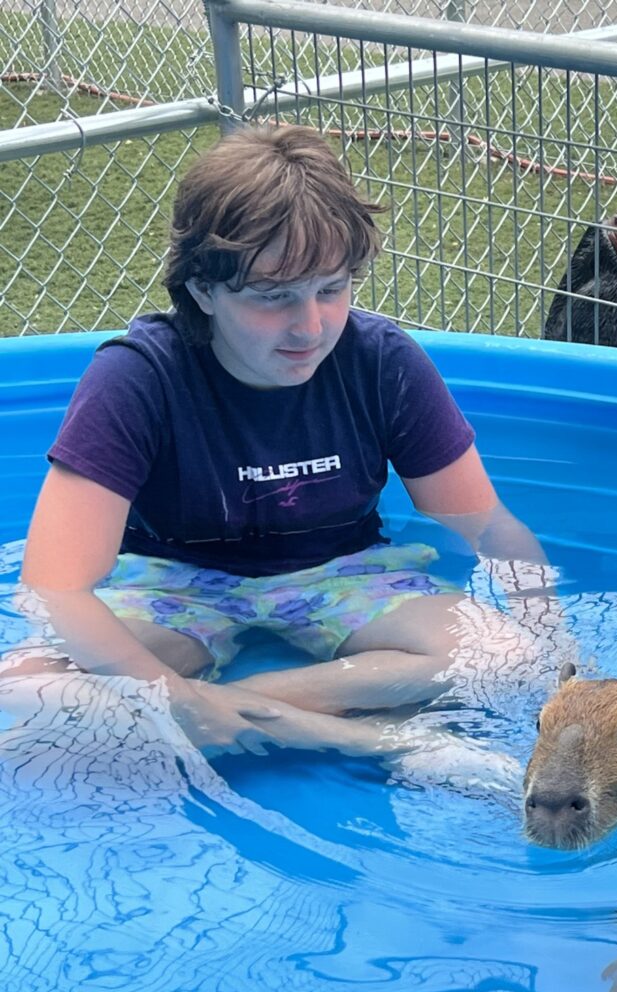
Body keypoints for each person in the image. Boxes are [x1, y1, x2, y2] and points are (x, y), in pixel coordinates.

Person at [13, 124, 553, 757]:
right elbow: (55, 589)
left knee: (513, 659)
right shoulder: (139, 377)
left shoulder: (382, 362)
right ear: (202, 290)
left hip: (342, 574)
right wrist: (176, 698)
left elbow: (490, 529)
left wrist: (555, 640)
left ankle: (263, 710)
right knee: (21, 696)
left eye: (332, 288)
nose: (311, 326)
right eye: (273, 298)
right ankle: (363, 739)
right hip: (172, 583)